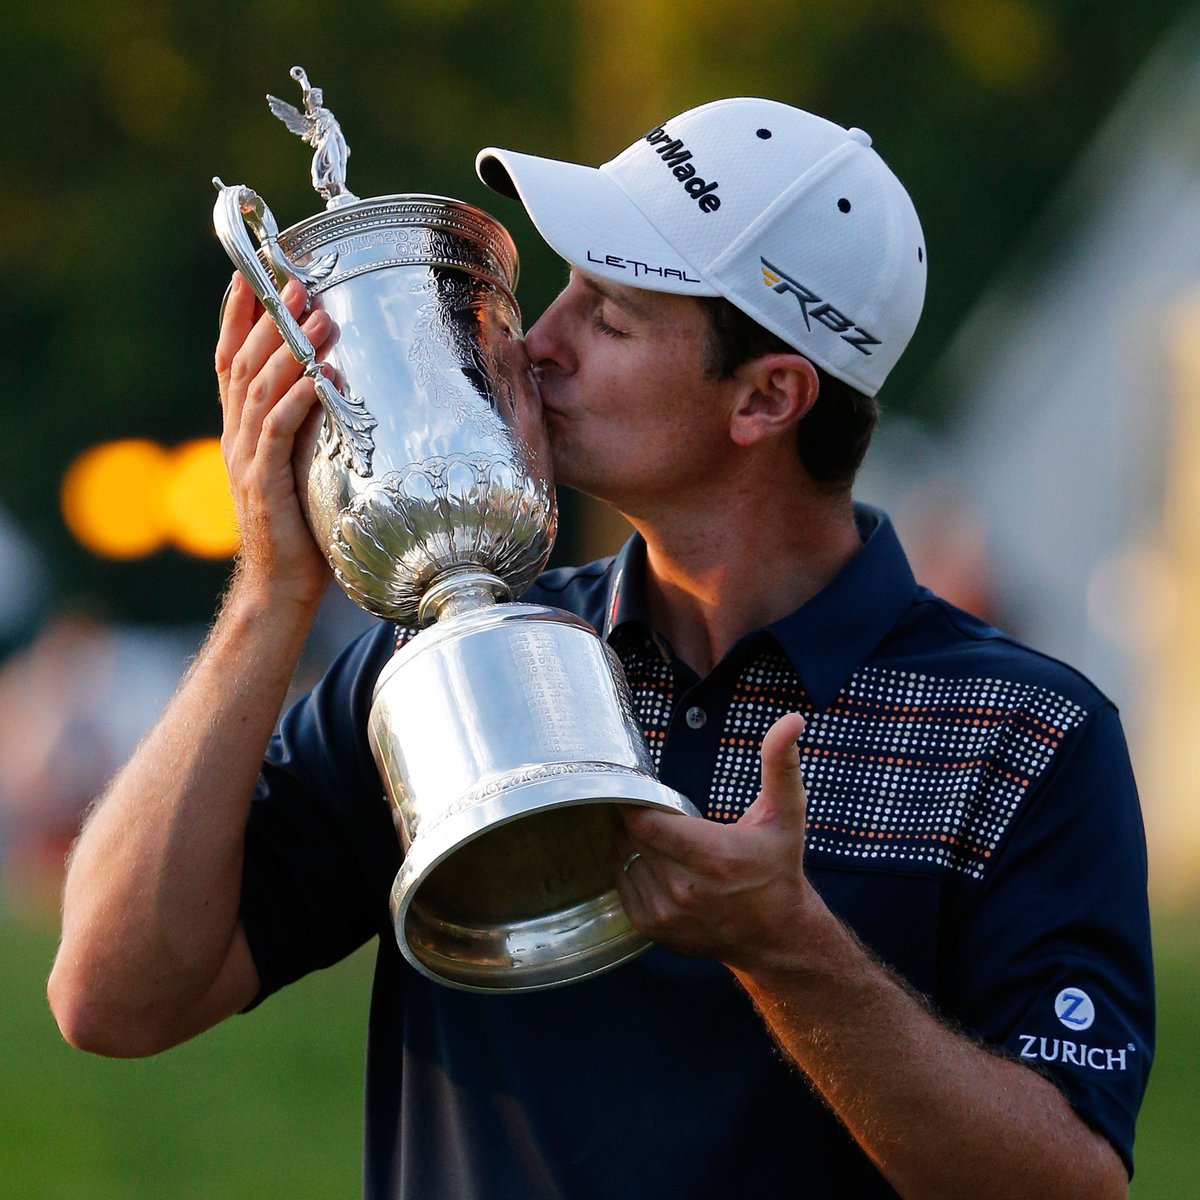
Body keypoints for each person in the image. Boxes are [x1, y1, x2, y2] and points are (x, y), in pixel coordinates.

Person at [49, 99, 1152, 1199]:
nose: (537, 346)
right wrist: (271, 593)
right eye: (562, 290)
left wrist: (790, 950)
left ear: (768, 397)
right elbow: (111, 997)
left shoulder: (1030, 736)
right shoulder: (444, 659)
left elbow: (1070, 1182)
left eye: (610, 316)